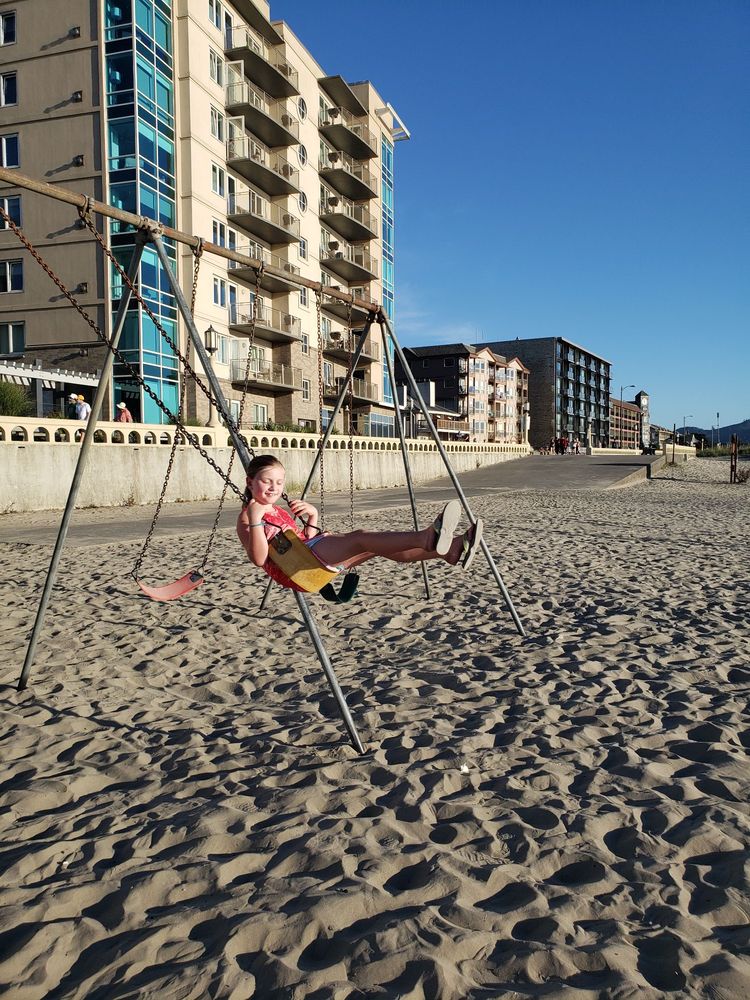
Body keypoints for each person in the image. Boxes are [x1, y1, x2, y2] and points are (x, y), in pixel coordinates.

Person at [237, 454, 484, 592]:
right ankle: (426, 537)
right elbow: (259, 559)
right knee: (361, 537)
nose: (274, 488)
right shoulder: (247, 517)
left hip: (306, 559)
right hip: (299, 571)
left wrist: (313, 517)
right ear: (250, 482)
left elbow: (303, 540)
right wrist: (256, 520)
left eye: (279, 482)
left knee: (374, 547)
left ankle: (450, 551)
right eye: (267, 481)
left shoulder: (275, 509)